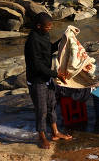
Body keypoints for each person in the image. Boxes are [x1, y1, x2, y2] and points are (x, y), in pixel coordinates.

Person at [24, 12, 72, 149]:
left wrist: (63, 40)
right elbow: (37, 65)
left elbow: (49, 49)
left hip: (47, 77)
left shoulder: (44, 34)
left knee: (51, 105)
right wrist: (55, 74)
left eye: (51, 26)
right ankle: (41, 136)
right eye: (48, 26)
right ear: (39, 26)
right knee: (41, 109)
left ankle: (55, 132)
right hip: (36, 80)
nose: (50, 28)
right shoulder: (32, 41)